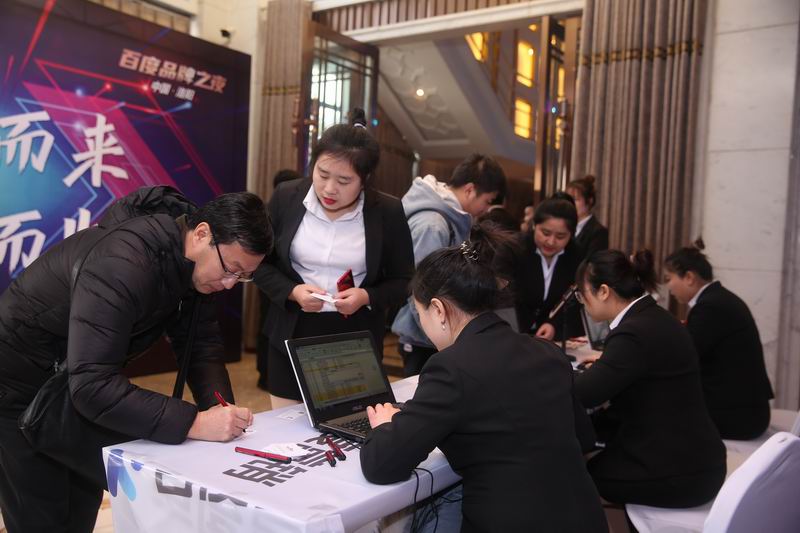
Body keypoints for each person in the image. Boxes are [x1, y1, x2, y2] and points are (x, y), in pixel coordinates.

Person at [0, 188, 273, 532]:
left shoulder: (193, 266)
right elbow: (93, 385)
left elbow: (201, 347)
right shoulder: (123, 262)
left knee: (80, 505)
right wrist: (194, 422)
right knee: (42, 512)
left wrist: (221, 409)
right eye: (231, 269)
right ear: (202, 234)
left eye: (243, 276)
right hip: (17, 386)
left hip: (67, 383)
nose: (230, 284)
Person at [360, 223, 608, 533]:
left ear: (438, 310)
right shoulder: (546, 352)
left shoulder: (450, 367)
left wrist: (385, 426)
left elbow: (382, 465)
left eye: (420, 314)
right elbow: (583, 438)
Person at [253, 109, 414, 408]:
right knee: (284, 425)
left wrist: (366, 296)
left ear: (365, 179)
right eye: (322, 174)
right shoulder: (287, 197)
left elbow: (404, 280)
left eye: (344, 180)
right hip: (292, 331)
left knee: (350, 422)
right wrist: (292, 291)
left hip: (355, 339)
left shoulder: (387, 212)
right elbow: (259, 263)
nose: (329, 189)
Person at [574, 250, 726, 508]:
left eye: (582, 293)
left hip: (678, 473)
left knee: (576, 474)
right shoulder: (654, 317)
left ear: (603, 291)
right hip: (699, 460)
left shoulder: (633, 332)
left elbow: (585, 393)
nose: (582, 302)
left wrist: (550, 368)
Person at [392, 153, 507, 376]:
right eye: (488, 201)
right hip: (428, 339)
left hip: (442, 335)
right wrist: (451, 342)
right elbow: (421, 292)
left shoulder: (451, 219)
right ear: (470, 190)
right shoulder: (433, 225)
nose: (487, 209)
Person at [664, 241, 774, 440]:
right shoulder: (719, 299)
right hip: (746, 411)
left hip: (738, 417)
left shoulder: (710, 307)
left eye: (669, 278)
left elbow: (683, 357)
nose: (668, 287)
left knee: (655, 413)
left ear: (689, 277)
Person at [257, 168, 303, 391]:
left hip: (280, 289)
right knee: (271, 329)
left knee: (265, 327)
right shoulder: (275, 212)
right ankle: (266, 374)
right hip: (277, 286)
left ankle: (263, 375)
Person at [513, 196, 583, 339]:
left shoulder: (576, 255)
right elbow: (504, 296)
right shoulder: (515, 248)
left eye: (560, 236)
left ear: (571, 234)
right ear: (534, 225)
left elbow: (574, 299)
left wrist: (553, 325)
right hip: (514, 332)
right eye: (545, 233)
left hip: (551, 338)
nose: (551, 242)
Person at [566, 175, 609, 260]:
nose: (570, 203)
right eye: (568, 199)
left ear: (589, 200)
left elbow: (592, 263)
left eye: (575, 199)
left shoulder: (598, 232)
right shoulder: (565, 225)